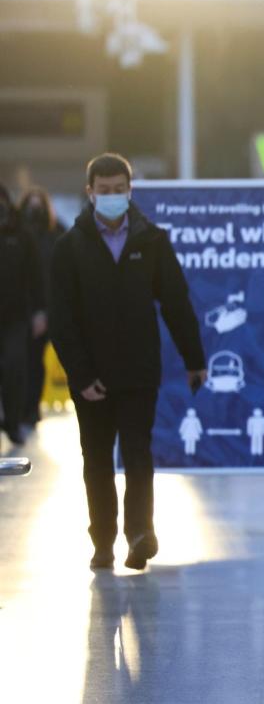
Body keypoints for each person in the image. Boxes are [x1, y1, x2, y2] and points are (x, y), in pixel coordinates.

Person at [48, 153, 208, 571]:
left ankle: (140, 535)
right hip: (92, 377)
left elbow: (175, 303)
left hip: (139, 370)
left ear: (130, 190)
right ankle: (102, 541)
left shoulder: (151, 241)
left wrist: (195, 359)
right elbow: (61, 320)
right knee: (97, 459)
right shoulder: (69, 247)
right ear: (90, 193)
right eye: (105, 191)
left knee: (138, 454)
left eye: (120, 190)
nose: (114, 197)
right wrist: (81, 375)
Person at [0, 183, 45, 449]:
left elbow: (35, 275)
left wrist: (40, 310)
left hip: (16, 316)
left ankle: (13, 422)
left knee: (16, 367)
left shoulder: (21, 233)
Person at [18, 187, 64, 431]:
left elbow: (54, 277)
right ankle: (19, 409)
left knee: (35, 361)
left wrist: (44, 311)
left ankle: (31, 409)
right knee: (20, 362)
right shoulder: (16, 236)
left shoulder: (56, 235)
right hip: (18, 311)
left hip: (47, 310)